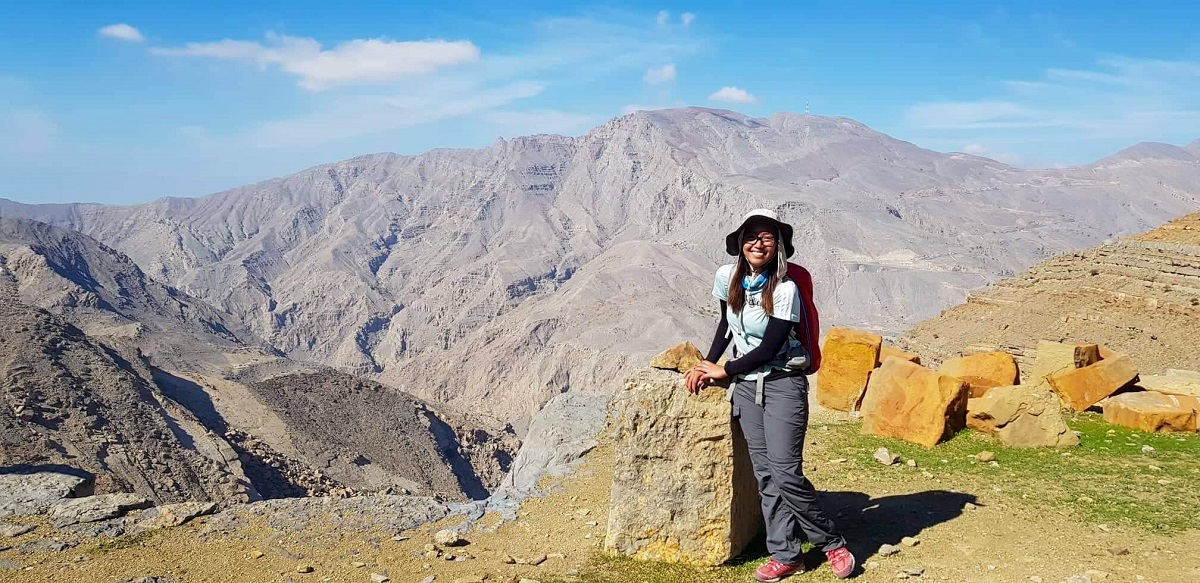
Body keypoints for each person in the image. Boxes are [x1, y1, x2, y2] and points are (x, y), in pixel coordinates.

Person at [685, 209, 855, 581]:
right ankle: (785, 553)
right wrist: (706, 363)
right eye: (751, 236)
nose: (757, 243)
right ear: (740, 243)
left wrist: (724, 370)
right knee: (765, 475)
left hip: (781, 384)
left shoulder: (785, 288)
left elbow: (770, 345)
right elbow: (725, 325)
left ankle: (831, 542)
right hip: (746, 388)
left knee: (786, 472)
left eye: (767, 237)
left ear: (778, 245)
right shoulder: (726, 277)